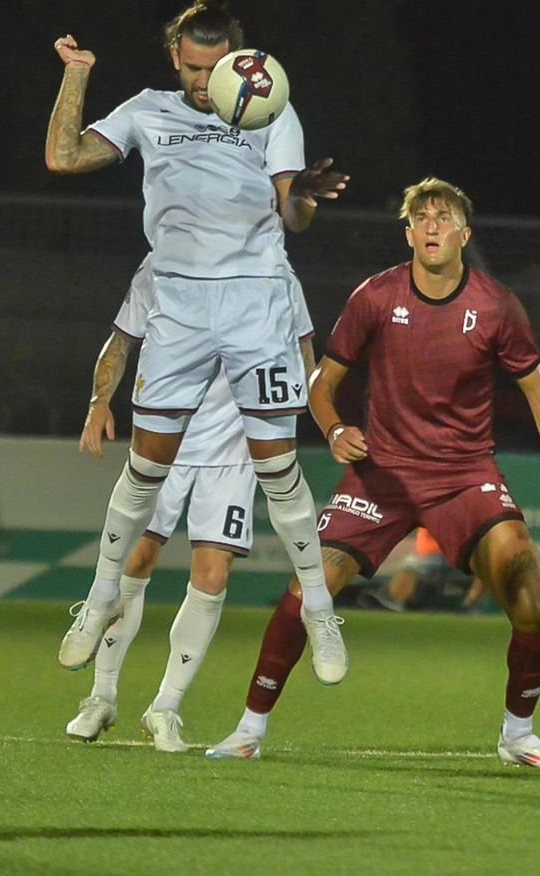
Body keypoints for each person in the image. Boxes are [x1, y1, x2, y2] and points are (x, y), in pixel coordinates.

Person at [206, 177, 540, 769]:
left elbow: (538, 391)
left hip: (465, 476)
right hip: (380, 476)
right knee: (305, 592)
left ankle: (518, 736)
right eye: (421, 216)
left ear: (464, 234)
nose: (433, 224)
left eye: (444, 217)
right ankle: (247, 729)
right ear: (409, 232)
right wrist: (336, 429)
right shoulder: (375, 296)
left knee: (537, 609)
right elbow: (322, 384)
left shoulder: (496, 306)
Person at [44, 0, 352, 686]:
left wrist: (300, 192)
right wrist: (78, 74)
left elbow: (293, 216)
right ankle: (97, 601)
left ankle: (322, 614)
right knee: (144, 470)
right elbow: (63, 158)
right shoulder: (149, 109)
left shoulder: (270, 102)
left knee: (279, 469)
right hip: (178, 308)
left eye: (214, 69)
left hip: (254, 304)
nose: (202, 82)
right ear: (174, 58)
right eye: (191, 68)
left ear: (238, 61)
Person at [66, 256, 315, 753]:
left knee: (212, 575)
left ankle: (165, 707)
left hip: (231, 451)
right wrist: (99, 403)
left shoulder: (277, 270)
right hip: (166, 440)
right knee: (135, 560)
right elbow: (122, 338)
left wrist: (317, 419)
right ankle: (101, 697)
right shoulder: (164, 259)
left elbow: (306, 356)